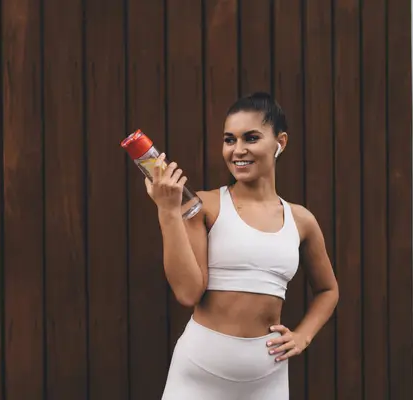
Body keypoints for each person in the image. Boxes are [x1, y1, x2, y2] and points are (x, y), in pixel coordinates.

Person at [145, 92, 339, 399]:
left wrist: (303, 336)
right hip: (198, 374)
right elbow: (187, 292)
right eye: (229, 139)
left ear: (280, 142)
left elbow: (328, 290)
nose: (238, 150)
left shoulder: (301, 220)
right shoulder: (204, 205)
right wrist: (168, 211)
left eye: (251, 138)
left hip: (267, 379)